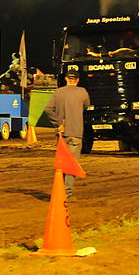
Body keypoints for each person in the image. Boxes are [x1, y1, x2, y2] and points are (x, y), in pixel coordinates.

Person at [44, 69, 90, 202]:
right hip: (76, 133)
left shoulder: (58, 92)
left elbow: (48, 109)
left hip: (61, 133)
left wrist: (58, 122)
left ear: (66, 79)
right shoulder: (82, 92)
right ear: (77, 80)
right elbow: (86, 107)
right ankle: (66, 194)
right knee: (72, 164)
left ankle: (59, 191)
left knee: (61, 164)